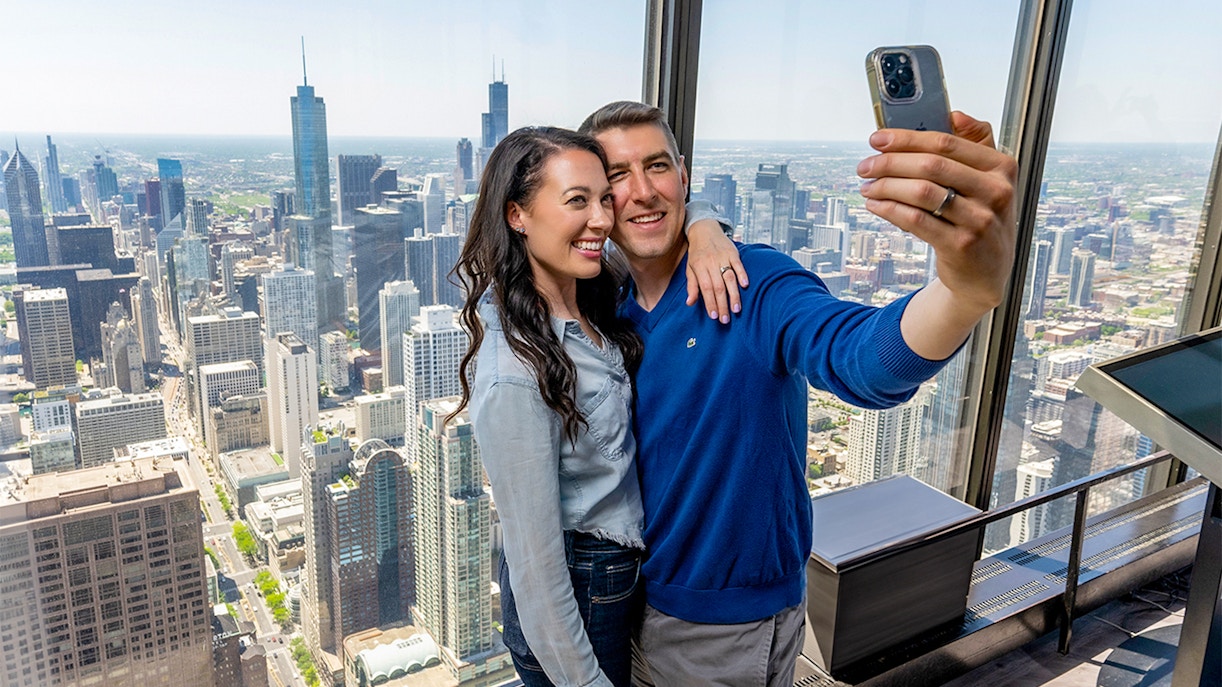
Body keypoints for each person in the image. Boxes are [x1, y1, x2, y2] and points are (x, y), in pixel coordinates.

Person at [577, 101, 1017, 687]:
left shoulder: (753, 283)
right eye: (616, 176)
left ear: (683, 174)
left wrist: (964, 290)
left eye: (656, 166)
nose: (642, 191)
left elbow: (863, 360)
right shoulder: (603, 308)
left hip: (725, 628)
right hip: (625, 610)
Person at [453, 126, 741, 687]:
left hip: (614, 578)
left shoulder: (592, 294)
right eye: (577, 201)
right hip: (577, 595)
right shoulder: (515, 372)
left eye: (603, 198)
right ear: (518, 215)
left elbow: (665, 206)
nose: (603, 219)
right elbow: (536, 572)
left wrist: (704, 226)